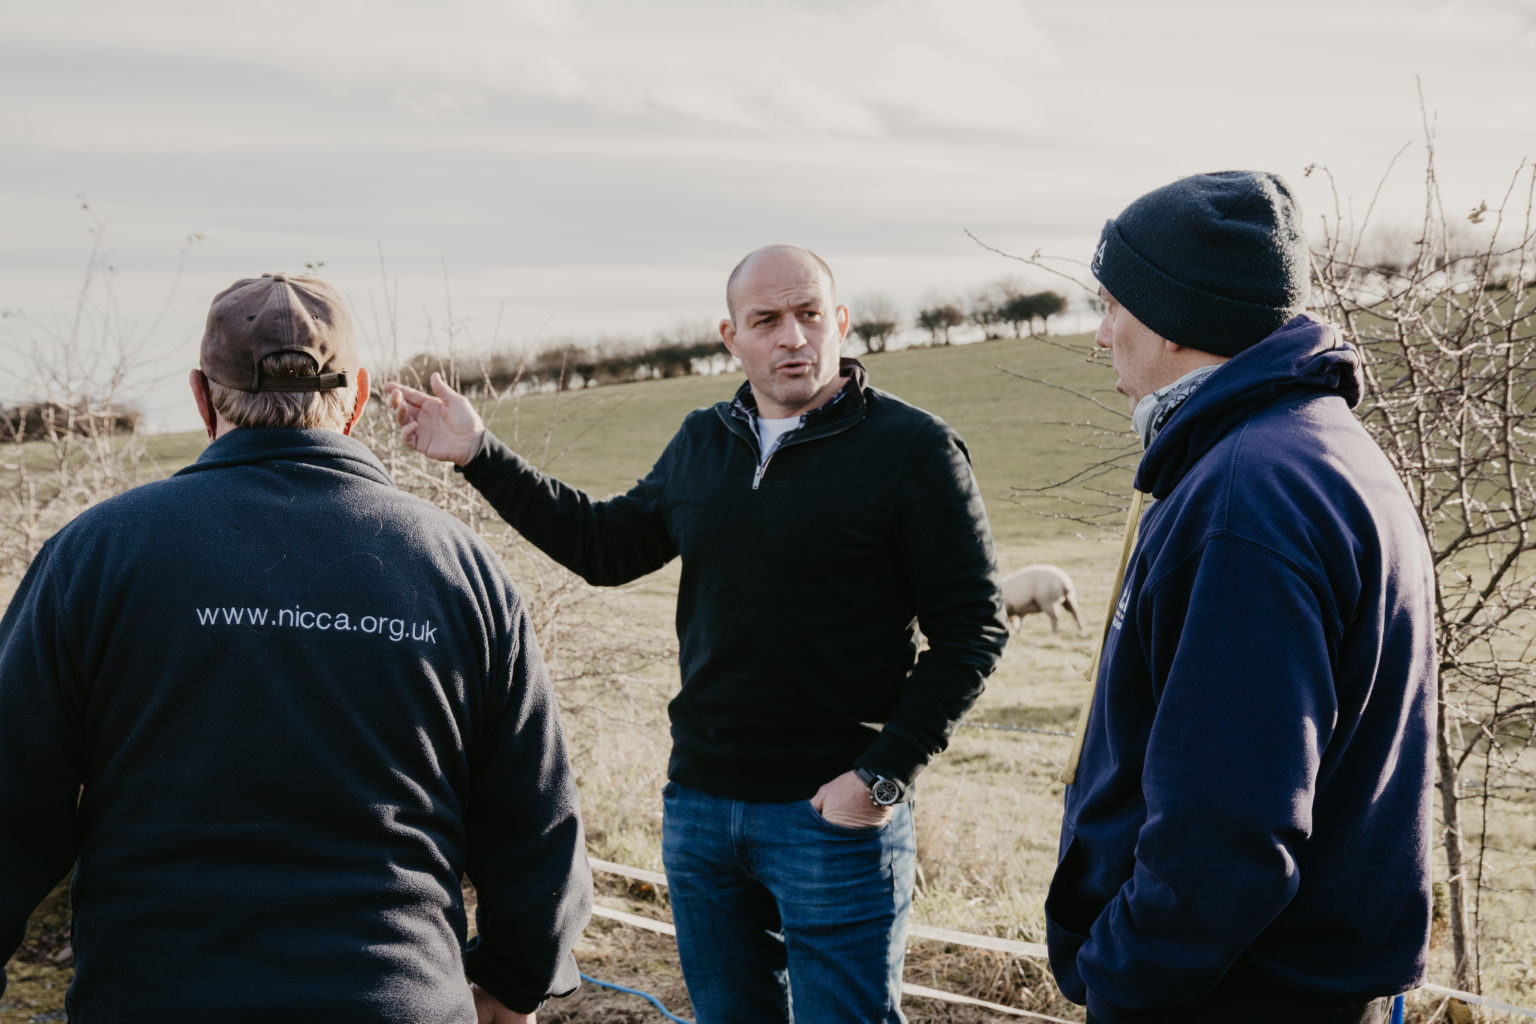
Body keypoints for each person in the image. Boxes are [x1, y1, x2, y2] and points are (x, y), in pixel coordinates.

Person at [383, 244, 1009, 1023]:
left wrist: (881, 777)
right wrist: (480, 455)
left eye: (810, 314)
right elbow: (605, 548)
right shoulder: (703, 442)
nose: (793, 337)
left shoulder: (912, 449)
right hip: (702, 810)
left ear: (841, 321)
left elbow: (974, 628)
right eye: (767, 320)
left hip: (832, 816)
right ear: (730, 337)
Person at [0, 273, 592, 1023]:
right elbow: (538, 822)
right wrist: (515, 980)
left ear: (201, 396)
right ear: (358, 397)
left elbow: (11, 797)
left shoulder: (96, 554)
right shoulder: (461, 570)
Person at [1045, 172, 1437, 1024]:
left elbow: (1227, 827)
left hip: (1234, 994)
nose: (1101, 335)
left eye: (1112, 306)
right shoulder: (1311, 448)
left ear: (1174, 319)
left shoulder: (1244, 497)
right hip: (1290, 981)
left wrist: (1124, 984)